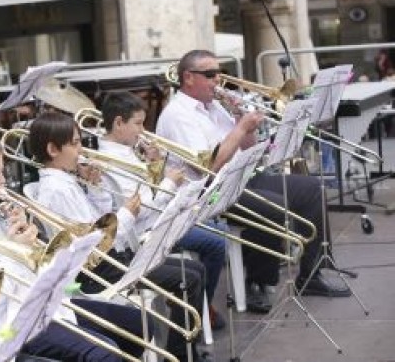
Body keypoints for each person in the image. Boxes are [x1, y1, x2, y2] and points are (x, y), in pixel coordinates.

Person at [156, 49, 352, 314]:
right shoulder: (177, 114)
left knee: (310, 189)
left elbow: (247, 148)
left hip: (240, 178)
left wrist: (242, 122)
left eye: (219, 73)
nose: (218, 80)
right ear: (188, 77)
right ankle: (258, 282)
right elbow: (209, 167)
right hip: (208, 193)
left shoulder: (213, 106)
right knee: (273, 206)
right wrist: (239, 129)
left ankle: (311, 274)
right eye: (211, 74)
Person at [0, 132, 151, 361]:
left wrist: (34, 247)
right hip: (12, 327)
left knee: (139, 324)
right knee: (105, 353)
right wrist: (15, 252)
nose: (2, 180)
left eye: (2, 171)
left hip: (50, 307)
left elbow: (44, 272)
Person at [29, 112, 210, 362]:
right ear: (52, 149)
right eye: (74, 143)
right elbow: (94, 243)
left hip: (109, 258)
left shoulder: (66, 182)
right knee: (189, 277)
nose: (81, 150)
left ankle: (184, 351)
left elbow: (97, 221)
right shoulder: (57, 190)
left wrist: (95, 187)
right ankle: (180, 354)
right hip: (97, 270)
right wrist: (126, 215)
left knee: (195, 270)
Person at [98, 91, 227, 329]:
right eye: (138, 123)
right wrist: (169, 183)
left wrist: (154, 164)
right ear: (118, 123)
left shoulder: (127, 151)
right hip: (144, 235)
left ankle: (193, 313)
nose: (143, 130)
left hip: (156, 223)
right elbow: (143, 210)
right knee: (214, 246)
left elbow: (146, 194)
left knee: (218, 231)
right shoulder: (112, 160)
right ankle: (193, 317)